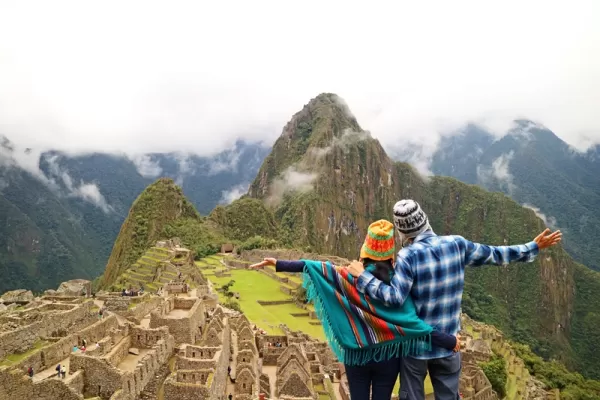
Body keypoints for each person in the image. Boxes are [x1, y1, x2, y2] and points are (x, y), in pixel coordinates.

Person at [346, 199, 562, 400]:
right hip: (449, 345)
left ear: (402, 232)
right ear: (426, 220)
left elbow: (394, 297)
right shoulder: (457, 244)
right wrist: (532, 247)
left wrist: (363, 277)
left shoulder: (408, 256)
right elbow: (496, 254)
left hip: (416, 349)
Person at [250, 220, 458, 400]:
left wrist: (278, 263)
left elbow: (316, 267)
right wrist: (449, 341)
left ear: (364, 253)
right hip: (387, 356)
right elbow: (414, 325)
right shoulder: (397, 285)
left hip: (355, 355)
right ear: (391, 258)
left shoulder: (346, 277)